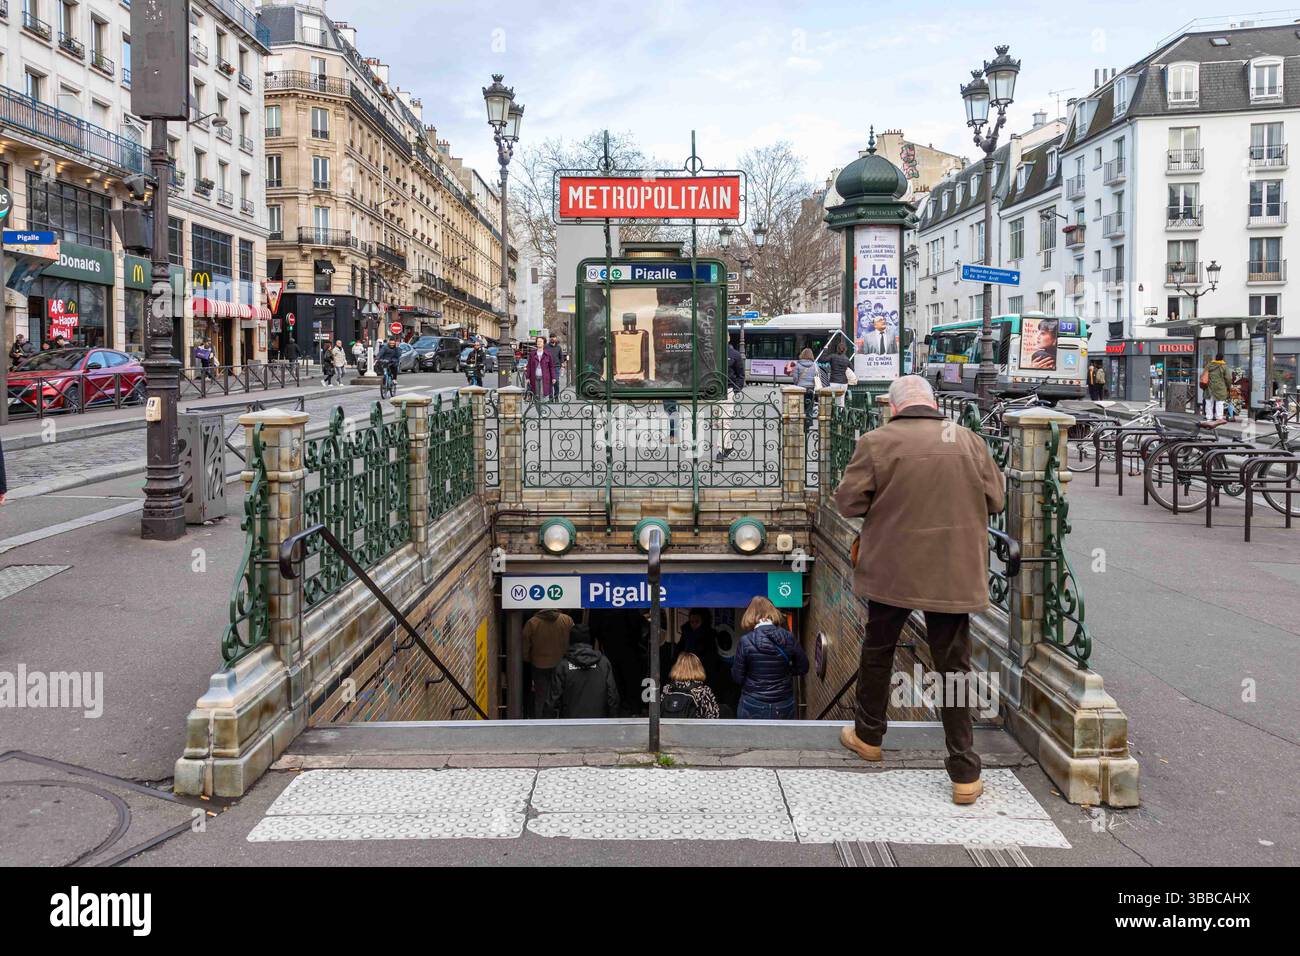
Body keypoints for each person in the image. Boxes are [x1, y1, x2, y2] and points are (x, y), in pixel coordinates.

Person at [833, 375, 1004, 806]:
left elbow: (848, 504)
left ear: (893, 408)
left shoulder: (876, 441)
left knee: (878, 652)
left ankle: (869, 736)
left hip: (891, 570)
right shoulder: (967, 440)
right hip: (952, 572)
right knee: (954, 666)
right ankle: (964, 770)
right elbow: (996, 500)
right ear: (932, 403)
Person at [731, 596, 808, 720]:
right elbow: (803, 667)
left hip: (753, 702)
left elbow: (737, 677)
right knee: (783, 738)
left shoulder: (745, 641)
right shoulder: (788, 637)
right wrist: (785, 672)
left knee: (750, 738)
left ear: (750, 614)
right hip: (783, 702)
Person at [544, 623, 619, 719]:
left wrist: (550, 728)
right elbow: (612, 696)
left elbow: (553, 701)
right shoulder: (603, 663)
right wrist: (612, 722)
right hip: (599, 724)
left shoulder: (563, 666)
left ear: (571, 641)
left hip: (571, 725)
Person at [522, 609, 574, 719]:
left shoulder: (532, 623)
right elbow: (573, 640)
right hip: (562, 665)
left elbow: (525, 647)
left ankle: (541, 723)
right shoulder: (567, 620)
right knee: (563, 695)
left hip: (540, 665)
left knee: (541, 697)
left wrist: (528, 658)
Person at [662, 652, 721, 719]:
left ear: (676, 667)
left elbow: (659, 711)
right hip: (693, 729)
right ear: (699, 668)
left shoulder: (667, 689)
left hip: (668, 728)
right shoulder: (702, 691)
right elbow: (713, 716)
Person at [789, 347, 819, 432]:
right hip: (810, 390)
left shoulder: (798, 365)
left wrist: (798, 384)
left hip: (800, 390)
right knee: (809, 408)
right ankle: (808, 425)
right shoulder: (815, 365)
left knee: (799, 408)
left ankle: (799, 425)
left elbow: (795, 378)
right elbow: (817, 377)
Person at [525, 335, 554, 402]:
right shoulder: (532, 354)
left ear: (544, 343)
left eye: (540, 341)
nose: (539, 343)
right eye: (538, 341)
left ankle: (543, 412)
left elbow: (551, 366)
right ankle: (540, 412)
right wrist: (527, 377)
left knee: (543, 394)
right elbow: (528, 366)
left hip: (545, 377)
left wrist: (553, 377)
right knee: (536, 396)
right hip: (534, 377)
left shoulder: (548, 354)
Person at [1203, 353, 1230, 420]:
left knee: (1209, 402)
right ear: (1222, 358)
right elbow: (1228, 378)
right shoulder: (1224, 366)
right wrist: (1228, 386)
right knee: (1219, 402)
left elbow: (1203, 375)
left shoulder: (1209, 365)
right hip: (1220, 387)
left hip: (1209, 387)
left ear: (1215, 358)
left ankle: (1209, 417)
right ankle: (1219, 417)